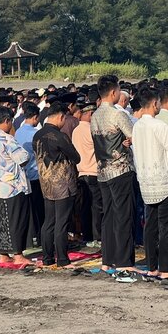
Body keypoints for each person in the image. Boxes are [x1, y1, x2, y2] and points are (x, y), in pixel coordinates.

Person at [132, 89, 168, 279]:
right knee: (166, 226)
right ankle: (166, 267)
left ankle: (152, 265)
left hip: (146, 180)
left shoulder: (137, 126)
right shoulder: (159, 126)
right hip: (163, 181)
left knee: (150, 226)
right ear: (154, 104)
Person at [90, 75, 139, 272]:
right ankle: (124, 261)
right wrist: (129, 141)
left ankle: (107, 259)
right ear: (113, 92)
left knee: (108, 216)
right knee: (123, 216)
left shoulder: (94, 115)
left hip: (102, 170)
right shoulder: (118, 114)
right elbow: (134, 136)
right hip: (120, 169)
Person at [33, 102, 81, 268]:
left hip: (46, 184)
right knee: (61, 222)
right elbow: (76, 157)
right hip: (63, 184)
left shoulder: (37, 135)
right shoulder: (60, 136)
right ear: (61, 116)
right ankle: (62, 259)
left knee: (49, 222)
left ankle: (47, 257)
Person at [0, 106, 32, 265]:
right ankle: (18, 254)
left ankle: (3, 253)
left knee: (0, 222)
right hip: (12, 185)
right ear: (6, 121)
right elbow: (23, 158)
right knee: (16, 220)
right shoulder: (7, 139)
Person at [72, 102, 102, 247]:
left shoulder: (76, 130)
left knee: (84, 207)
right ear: (90, 114)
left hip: (81, 172)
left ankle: (87, 235)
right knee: (96, 207)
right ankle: (98, 236)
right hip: (93, 172)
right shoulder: (92, 130)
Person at [14, 102, 44, 247]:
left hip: (23, 175)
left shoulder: (18, 132)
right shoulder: (35, 133)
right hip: (35, 174)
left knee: (29, 209)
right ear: (35, 117)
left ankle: (31, 237)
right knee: (39, 209)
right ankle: (40, 237)